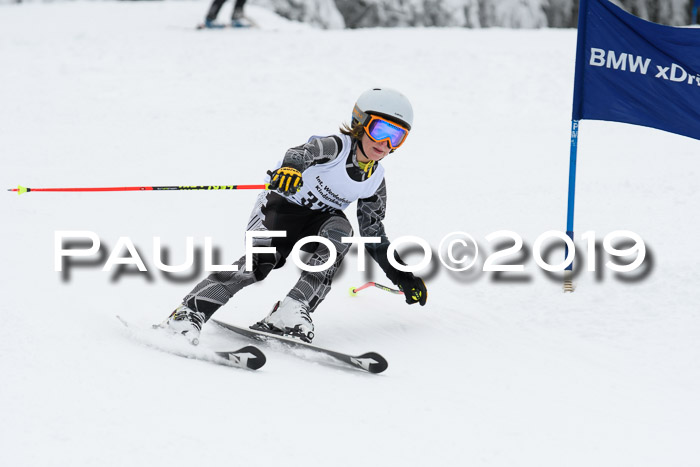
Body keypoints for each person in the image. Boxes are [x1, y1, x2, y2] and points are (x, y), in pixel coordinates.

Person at [163, 87, 428, 343]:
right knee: (259, 265)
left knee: (341, 233)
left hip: (318, 222)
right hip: (280, 208)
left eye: (397, 136)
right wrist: (291, 169)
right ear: (360, 123)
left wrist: (403, 277)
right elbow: (302, 152)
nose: (385, 143)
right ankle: (188, 312)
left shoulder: (374, 180)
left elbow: (374, 236)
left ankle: (291, 310)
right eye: (380, 130)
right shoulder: (336, 147)